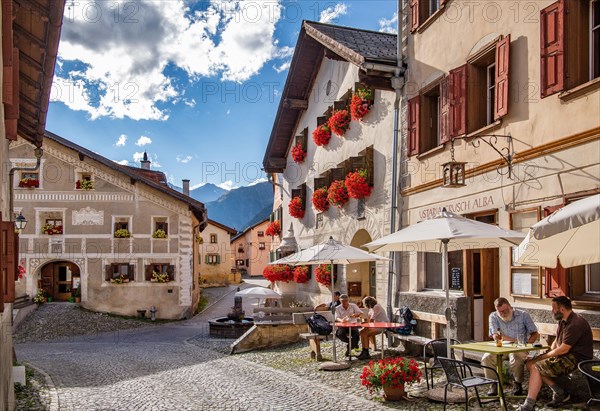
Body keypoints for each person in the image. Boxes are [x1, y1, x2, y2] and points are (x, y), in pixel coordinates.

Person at [517, 296, 593, 411]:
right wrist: (543, 354)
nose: (551, 311)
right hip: (564, 356)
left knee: (536, 366)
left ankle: (529, 405)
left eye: (553, 308)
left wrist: (542, 357)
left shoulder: (576, 323)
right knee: (530, 364)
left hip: (576, 359)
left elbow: (563, 349)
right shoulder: (563, 321)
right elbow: (556, 343)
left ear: (562, 309)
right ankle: (559, 392)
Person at [482, 297, 539, 396]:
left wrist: (527, 345)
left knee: (515, 356)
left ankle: (517, 383)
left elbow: (534, 333)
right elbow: (495, 335)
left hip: (520, 347)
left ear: (510, 307)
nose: (503, 314)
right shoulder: (494, 316)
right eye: (500, 312)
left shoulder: (523, 315)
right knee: (486, 357)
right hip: (503, 347)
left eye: (505, 310)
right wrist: (513, 340)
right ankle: (493, 384)